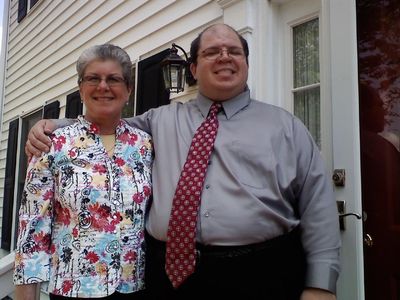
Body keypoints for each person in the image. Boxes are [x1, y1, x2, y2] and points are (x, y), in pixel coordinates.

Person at [26, 24, 340, 300]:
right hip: (169, 280)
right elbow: (104, 121)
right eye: (212, 51)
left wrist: (321, 284)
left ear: (246, 62)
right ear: (193, 67)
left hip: (262, 274)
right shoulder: (157, 121)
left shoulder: (285, 127)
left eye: (234, 51)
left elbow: (318, 203)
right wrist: (50, 126)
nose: (224, 57)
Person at [14, 44, 153, 300]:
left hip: (133, 285)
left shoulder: (144, 145)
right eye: (93, 78)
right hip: (73, 289)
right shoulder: (52, 144)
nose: (103, 86)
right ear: (81, 88)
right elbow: (32, 231)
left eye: (113, 79)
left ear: (128, 90)